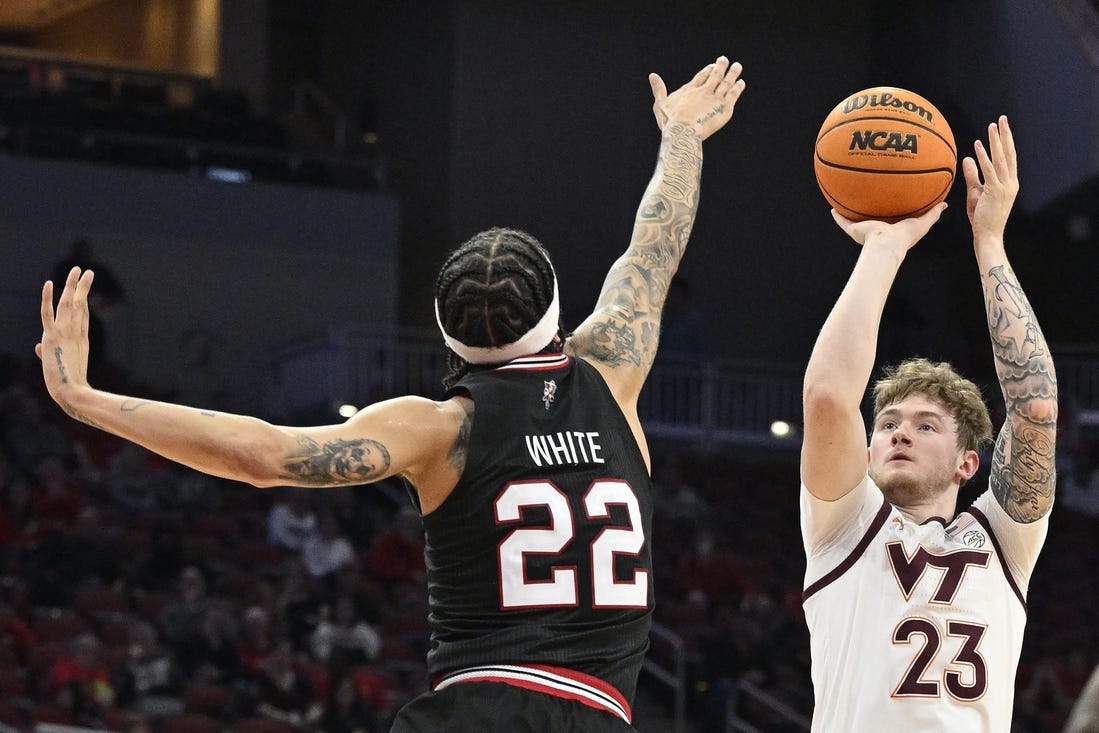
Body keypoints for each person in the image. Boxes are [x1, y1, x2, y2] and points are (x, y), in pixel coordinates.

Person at [35, 54, 745, 732]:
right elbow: (653, 246)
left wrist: (87, 400)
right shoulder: (612, 369)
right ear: (556, 316)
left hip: (478, 710)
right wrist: (681, 134)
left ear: (446, 335)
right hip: (597, 712)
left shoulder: (440, 427)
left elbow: (265, 454)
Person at [799, 115, 1057, 731]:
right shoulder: (844, 524)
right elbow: (830, 399)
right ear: (866, 451)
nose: (899, 432)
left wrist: (989, 240)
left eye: (925, 425)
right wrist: (884, 248)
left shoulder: (1002, 543)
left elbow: (1036, 406)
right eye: (887, 422)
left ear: (970, 462)